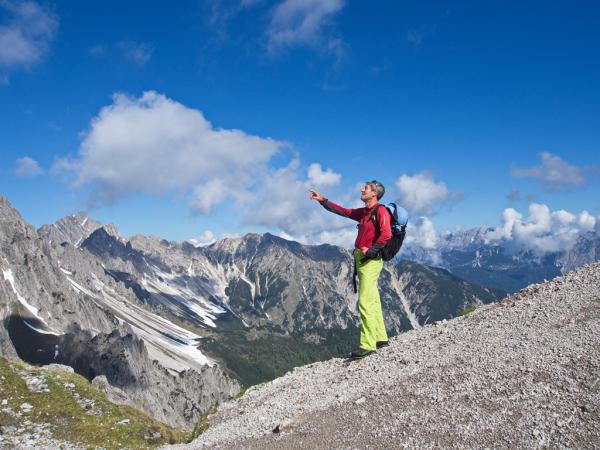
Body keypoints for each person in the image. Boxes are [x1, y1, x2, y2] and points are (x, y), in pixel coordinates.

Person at [309, 181, 391, 359]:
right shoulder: (365, 212)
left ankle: (368, 344)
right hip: (362, 260)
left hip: (370, 261)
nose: (362, 189)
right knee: (373, 300)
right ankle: (380, 338)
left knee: (365, 302)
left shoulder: (381, 211)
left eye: (366, 188)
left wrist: (371, 250)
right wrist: (323, 201)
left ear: (374, 194)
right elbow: (344, 211)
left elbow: (386, 234)